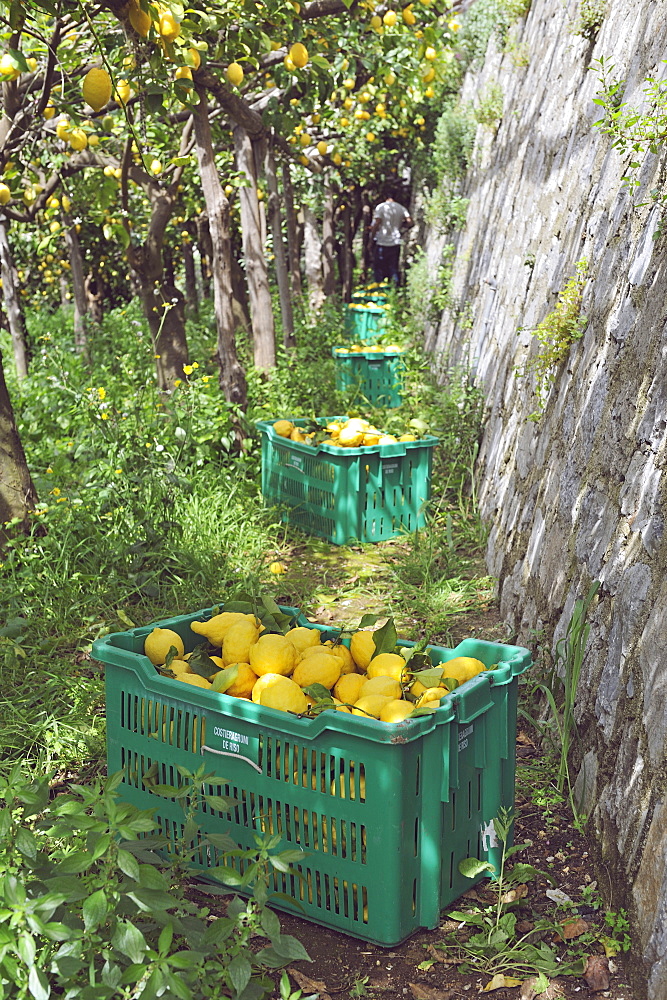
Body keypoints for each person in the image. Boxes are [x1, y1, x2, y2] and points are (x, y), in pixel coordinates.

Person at [369, 190, 413, 285]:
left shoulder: (380, 207)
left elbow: (377, 223)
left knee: (378, 268)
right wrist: (402, 228)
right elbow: (410, 222)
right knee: (393, 267)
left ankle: (379, 289)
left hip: (382, 241)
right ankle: (395, 289)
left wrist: (371, 238)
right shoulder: (401, 208)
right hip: (395, 241)